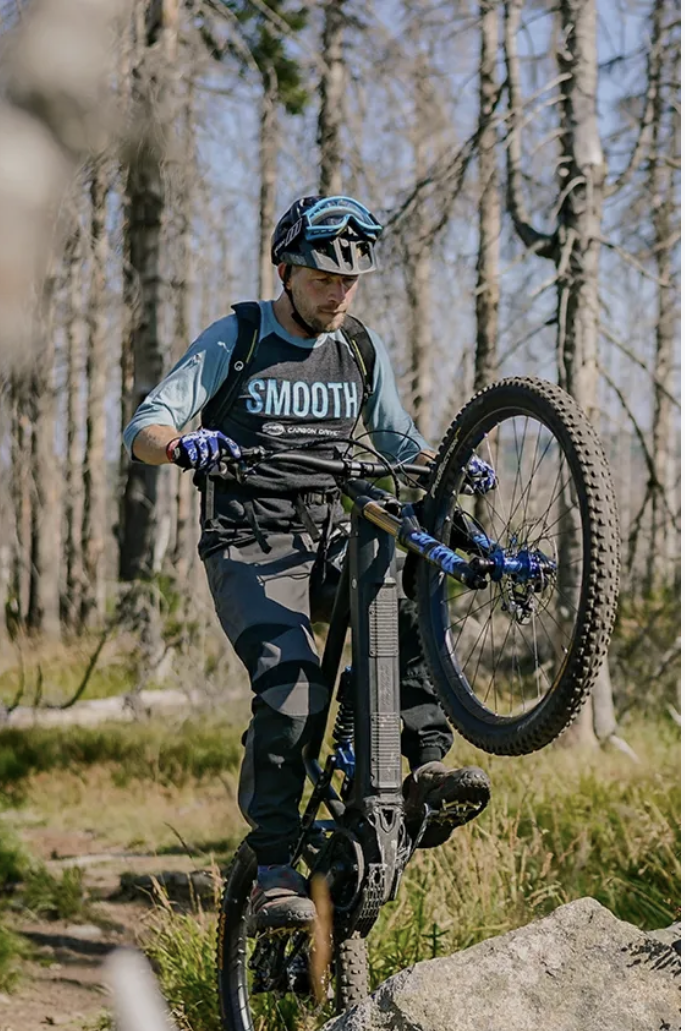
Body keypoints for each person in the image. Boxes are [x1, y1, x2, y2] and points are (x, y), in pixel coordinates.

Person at [124, 195, 491, 930]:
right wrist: (184, 444)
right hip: (249, 544)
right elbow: (145, 426)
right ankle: (271, 868)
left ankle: (424, 767)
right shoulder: (239, 335)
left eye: (348, 281)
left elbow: (396, 441)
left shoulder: (357, 346)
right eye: (323, 278)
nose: (337, 293)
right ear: (286, 271)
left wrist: (446, 468)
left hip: (330, 535)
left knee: (410, 583)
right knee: (293, 692)